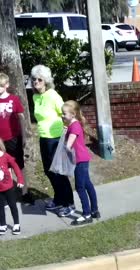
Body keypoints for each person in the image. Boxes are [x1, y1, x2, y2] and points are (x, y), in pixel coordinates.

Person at [31, 65, 75, 217]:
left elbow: (66, 114)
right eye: (34, 79)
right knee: (49, 171)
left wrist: (67, 133)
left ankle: (69, 203)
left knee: (59, 172)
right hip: (44, 138)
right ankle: (58, 199)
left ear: (46, 81)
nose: (36, 81)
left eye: (39, 79)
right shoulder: (35, 97)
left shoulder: (53, 95)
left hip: (56, 138)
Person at [61, 101, 100, 225]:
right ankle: (94, 210)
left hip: (80, 160)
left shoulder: (75, 126)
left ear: (72, 114)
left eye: (64, 113)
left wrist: (63, 143)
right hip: (82, 158)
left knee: (80, 187)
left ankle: (86, 214)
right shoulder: (74, 124)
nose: (62, 115)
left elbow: (68, 146)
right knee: (87, 184)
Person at [0, 73, 34, 204]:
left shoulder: (13, 99)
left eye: (0, 86)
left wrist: (24, 136)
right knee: (3, 166)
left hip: (14, 138)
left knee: (19, 165)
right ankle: (7, 194)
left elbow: (21, 118)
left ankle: (25, 193)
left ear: (6, 85)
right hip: (0, 141)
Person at [0, 138, 24, 235]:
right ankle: (2, 224)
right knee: (0, 207)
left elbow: (16, 167)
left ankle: (17, 224)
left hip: (9, 187)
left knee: (12, 205)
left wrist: (20, 179)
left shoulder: (6, 156)